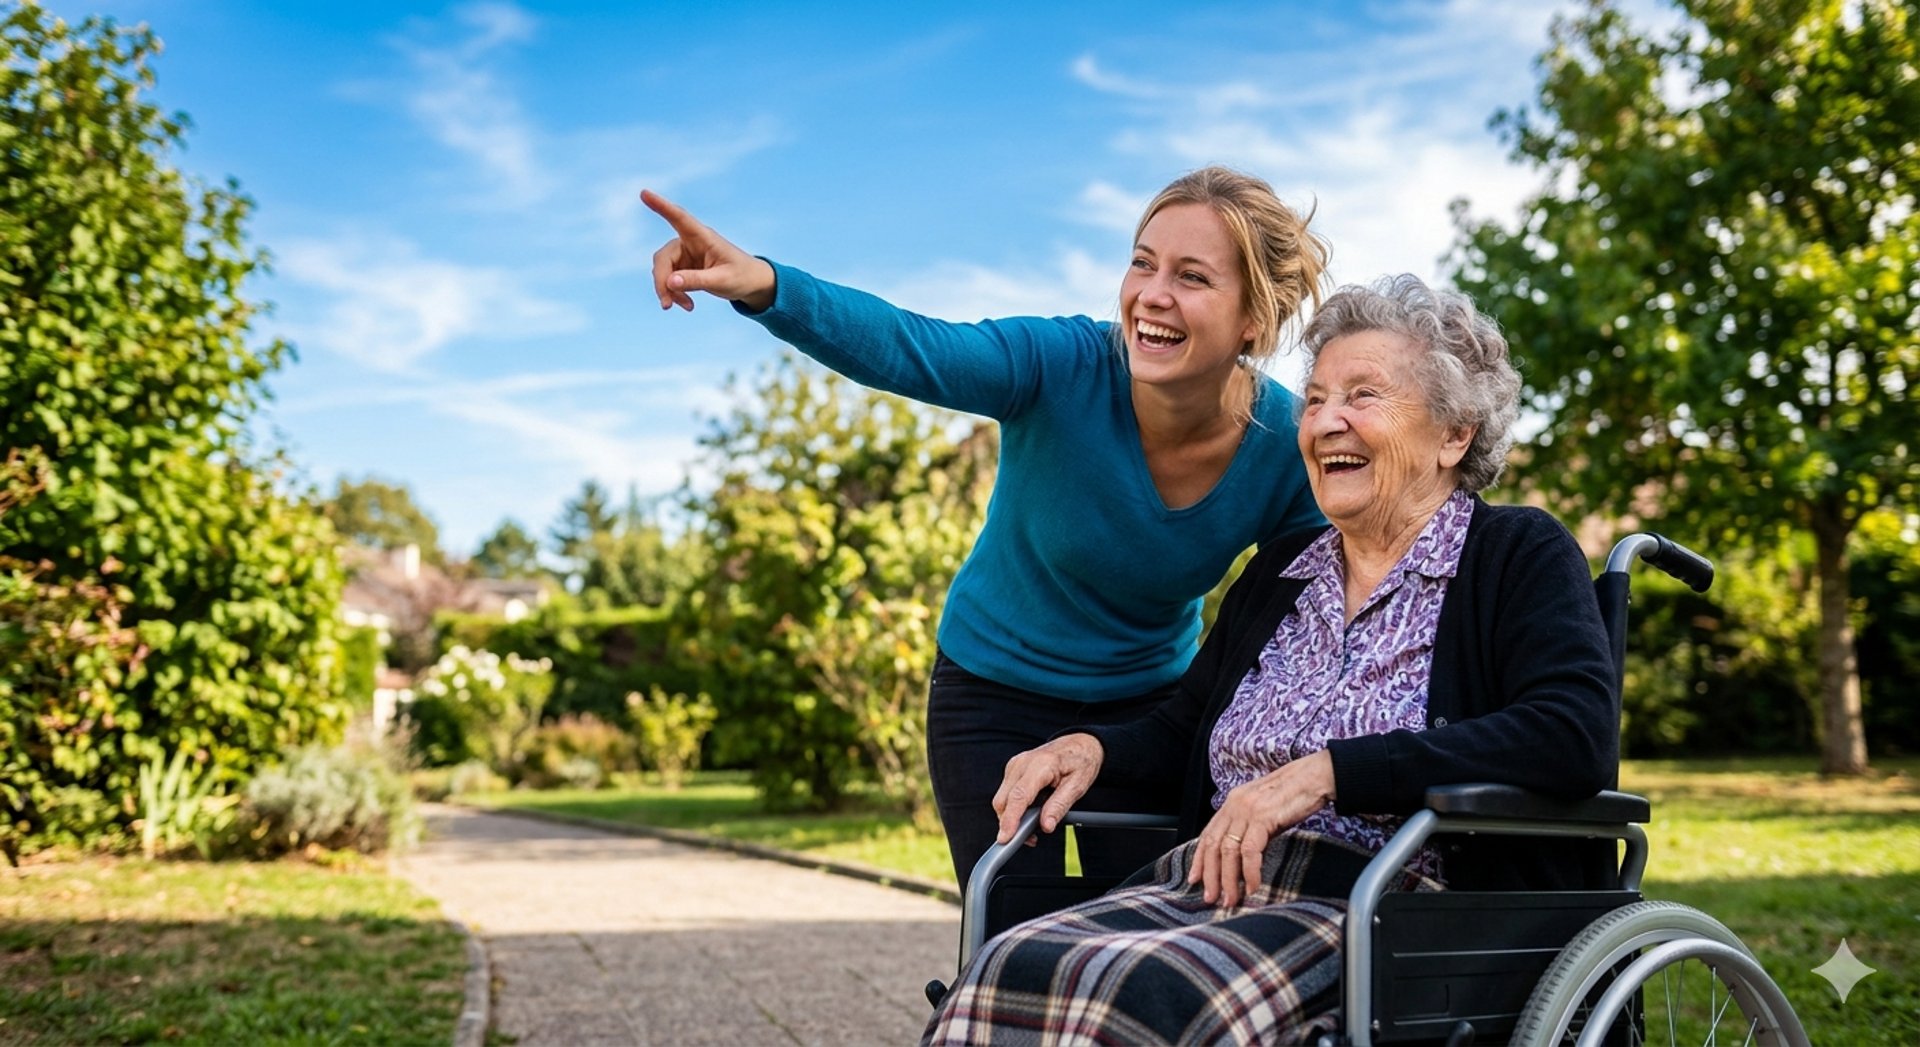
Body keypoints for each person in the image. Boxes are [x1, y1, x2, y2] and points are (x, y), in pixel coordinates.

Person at [922, 274, 1618, 1045]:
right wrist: (1092, 745)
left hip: (1388, 905)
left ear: (1454, 433)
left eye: (1363, 396)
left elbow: (1571, 733)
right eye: (1315, 398)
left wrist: (1329, 771)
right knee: (1011, 959)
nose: (1325, 422)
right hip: (1214, 885)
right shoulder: (1282, 570)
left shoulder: (1515, 553)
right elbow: (1182, 729)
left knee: (1143, 996)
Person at [644, 168, 1332, 887]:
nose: (1152, 294)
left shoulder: (1285, 445)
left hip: (1145, 715)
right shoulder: (1060, 364)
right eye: (1141, 263)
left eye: (1192, 276)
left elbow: (1310, 608)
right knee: (1012, 928)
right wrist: (763, 283)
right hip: (993, 691)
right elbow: (916, 347)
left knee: (1143, 925)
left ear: (1253, 317)